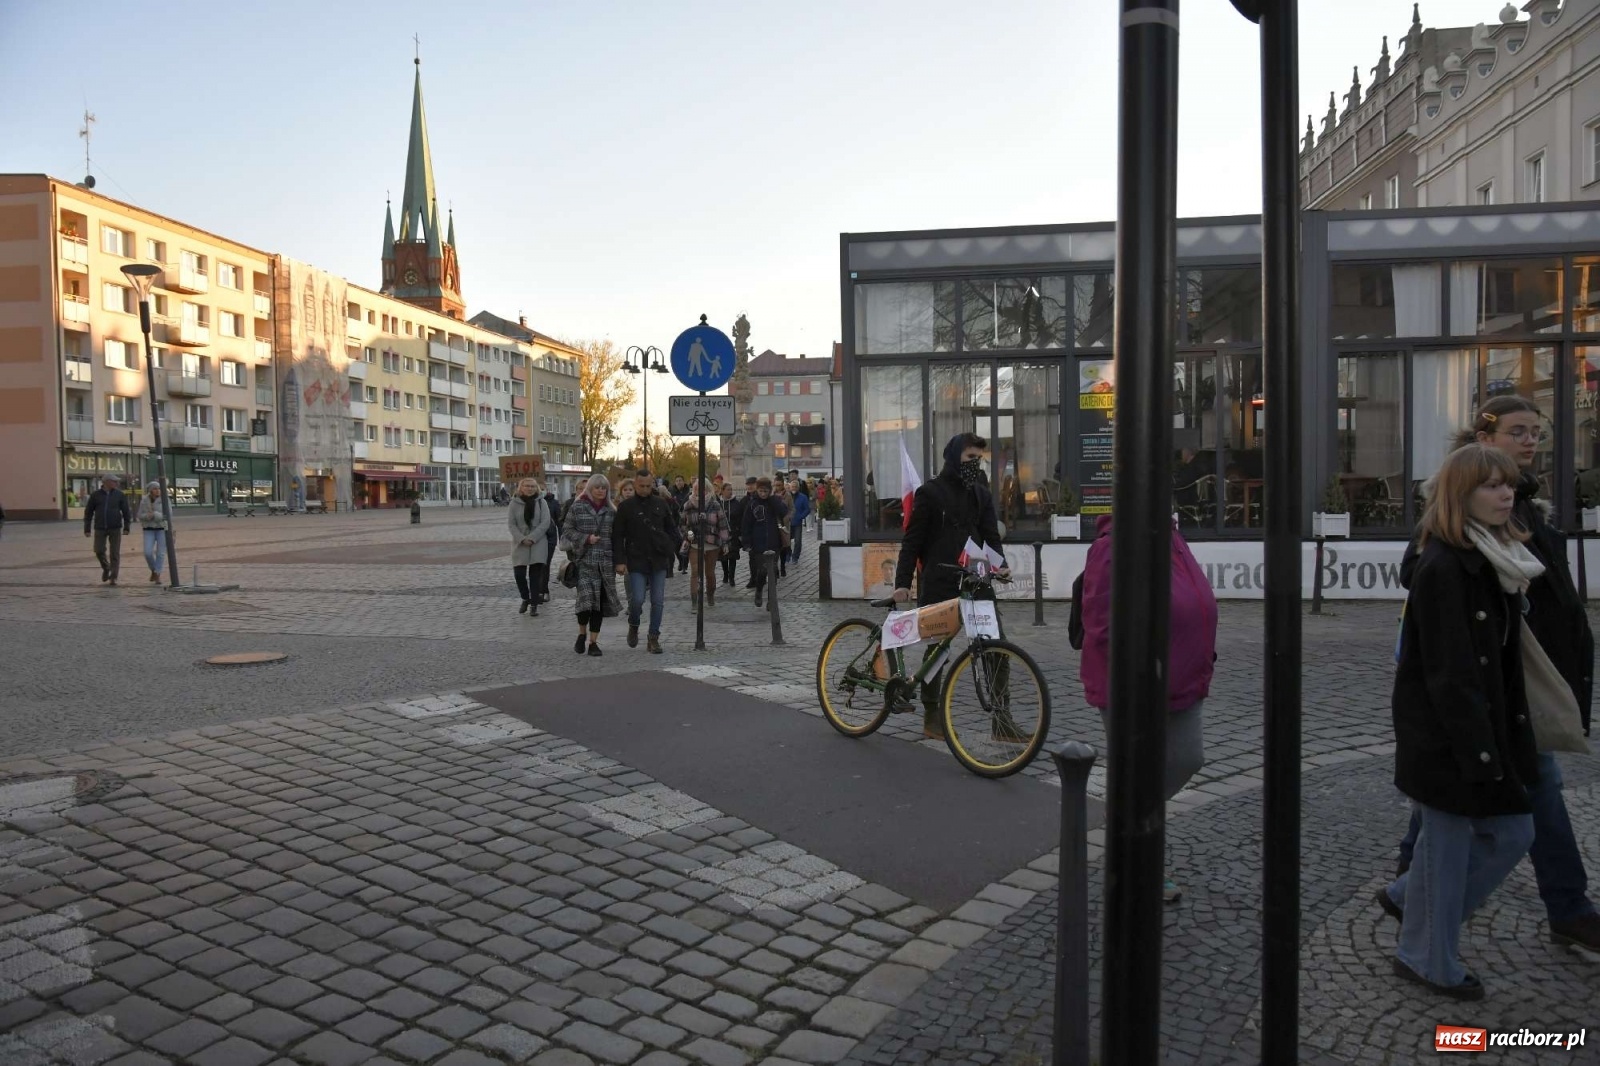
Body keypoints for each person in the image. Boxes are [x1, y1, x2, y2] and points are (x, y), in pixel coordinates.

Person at [1389, 396, 1599, 955]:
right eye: (1518, 431)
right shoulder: (1465, 510)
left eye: (1536, 432)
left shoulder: (1522, 505)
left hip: (1519, 674)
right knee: (1532, 795)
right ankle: (1568, 906)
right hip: (1497, 685)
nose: (1531, 441)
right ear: (1485, 438)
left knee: (1444, 803)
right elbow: (1423, 573)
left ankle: (1409, 885)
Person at [1376, 443, 1542, 1001]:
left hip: (1481, 730)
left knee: (1508, 833)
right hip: (1446, 738)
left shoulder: (1496, 557)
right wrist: (1481, 752)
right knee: (1452, 852)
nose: (1506, 494)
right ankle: (1429, 957)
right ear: (1460, 495)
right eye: (1492, 486)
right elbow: (1450, 674)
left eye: (1509, 485)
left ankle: (1411, 910)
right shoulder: (1446, 566)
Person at [1069, 515, 1216, 903]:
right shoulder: (1111, 546)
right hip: (1133, 689)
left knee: (1186, 757)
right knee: (1138, 772)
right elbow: (1100, 625)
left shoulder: (1171, 537)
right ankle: (1137, 858)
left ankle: (1129, 829)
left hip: (1183, 680)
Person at [893, 433, 1007, 738]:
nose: (976, 464)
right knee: (937, 654)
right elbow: (912, 541)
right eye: (971, 458)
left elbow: (990, 536)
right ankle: (932, 716)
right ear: (955, 456)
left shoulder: (980, 493)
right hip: (940, 581)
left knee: (997, 649)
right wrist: (902, 583)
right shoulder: (930, 493)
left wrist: (1001, 564)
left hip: (976, 579)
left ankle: (1003, 721)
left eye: (979, 459)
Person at [613, 470, 679, 653]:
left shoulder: (660, 504)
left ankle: (653, 637)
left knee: (658, 601)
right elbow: (617, 536)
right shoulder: (626, 507)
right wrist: (620, 560)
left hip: (658, 559)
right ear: (635, 485)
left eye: (648, 486)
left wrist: (670, 547)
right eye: (641, 486)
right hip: (636, 559)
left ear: (653, 485)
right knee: (637, 600)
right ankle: (633, 624)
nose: (644, 489)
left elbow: (672, 528)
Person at [560, 474, 620, 656]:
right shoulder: (578, 507)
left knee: (599, 604)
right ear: (590, 489)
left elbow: (617, 537)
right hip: (584, 561)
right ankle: (581, 633)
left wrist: (620, 561)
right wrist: (586, 538)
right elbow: (567, 530)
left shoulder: (611, 510)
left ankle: (593, 642)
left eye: (604, 488)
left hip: (605, 562)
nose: (601, 491)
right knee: (585, 602)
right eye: (597, 487)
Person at [681, 479, 730, 610]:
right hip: (695, 542)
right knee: (695, 572)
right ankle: (694, 601)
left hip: (712, 542)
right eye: (697, 488)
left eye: (702, 488)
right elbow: (682, 524)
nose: (699, 491)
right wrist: (689, 534)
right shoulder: (688, 505)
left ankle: (710, 595)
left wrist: (725, 542)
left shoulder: (715, 505)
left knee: (709, 573)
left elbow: (723, 525)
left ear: (708, 490)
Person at [740, 477, 789, 608]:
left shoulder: (774, 501)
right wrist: (746, 543)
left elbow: (784, 511)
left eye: (766, 491)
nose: (763, 494)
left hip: (774, 542)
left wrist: (773, 499)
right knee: (762, 571)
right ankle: (759, 590)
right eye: (761, 491)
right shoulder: (752, 504)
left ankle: (771, 600)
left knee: (773, 571)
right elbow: (746, 524)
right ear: (757, 489)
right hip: (758, 543)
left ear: (769, 490)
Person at [507, 478, 551, 617]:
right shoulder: (514, 503)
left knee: (535, 576)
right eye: (527, 486)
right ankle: (525, 598)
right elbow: (511, 524)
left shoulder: (541, 502)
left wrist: (533, 537)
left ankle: (533, 604)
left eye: (533, 486)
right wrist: (521, 538)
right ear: (521, 487)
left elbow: (545, 522)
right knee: (519, 574)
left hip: (538, 542)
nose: (530, 488)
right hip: (520, 543)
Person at [83, 474, 132, 586]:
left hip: (115, 527)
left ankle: (113, 577)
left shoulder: (120, 495)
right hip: (100, 527)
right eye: (114, 481)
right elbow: (89, 512)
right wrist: (87, 528)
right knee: (98, 550)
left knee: (114, 553)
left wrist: (126, 527)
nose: (116, 483)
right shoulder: (96, 495)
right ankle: (106, 567)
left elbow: (126, 511)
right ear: (106, 482)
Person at [136, 481, 170, 583]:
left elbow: (168, 515)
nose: (157, 491)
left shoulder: (165, 499)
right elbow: (139, 515)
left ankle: (157, 573)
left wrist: (155, 514)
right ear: (150, 490)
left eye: (159, 488)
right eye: (155, 489)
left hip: (161, 529)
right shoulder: (144, 501)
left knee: (160, 553)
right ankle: (153, 570)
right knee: (147, 552)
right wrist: (147, 516)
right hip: (148, 529)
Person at [734, 477, 758, 587]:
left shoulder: (761, 498)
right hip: (749, 533)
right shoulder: (744, 500)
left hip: (760, 532)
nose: (750, 486)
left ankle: (762, 576)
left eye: (752, 484)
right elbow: (739, 518)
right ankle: (753, 578)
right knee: (752, 557)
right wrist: (740, 533)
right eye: (748, 484)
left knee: (762, 557)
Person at [716, 482, 739, 587]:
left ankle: (732, 577)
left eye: (731, 489)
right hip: (721, 533)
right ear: (723, 491)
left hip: (733, 533)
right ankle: (726, 574)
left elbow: (740, 517)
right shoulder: (718, 503)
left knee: (733, 556)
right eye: (728, 489)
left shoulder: (736, 503)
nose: (730, 491)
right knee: (723, 556)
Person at [786, 479, 811, 568]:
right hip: (788, 522)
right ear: (790, 487)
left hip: (797, 522)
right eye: (792, 486)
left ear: (798, 488)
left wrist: (800, 516)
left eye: (795, 486)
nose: (794, 488)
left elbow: (807, 509)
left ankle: (795, 557)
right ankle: (787, 555)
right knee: (787, 541)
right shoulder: (787, 496)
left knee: (798, 541)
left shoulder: (803, 497)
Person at [541, 489, 560, 603]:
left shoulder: (554, 503)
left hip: (550, 538)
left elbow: (559, 521)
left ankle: (543, 590)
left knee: (545, 564)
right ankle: (537, 591)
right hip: (535, 539)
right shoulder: (532, 502)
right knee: (537, 565)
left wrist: (563, 537)